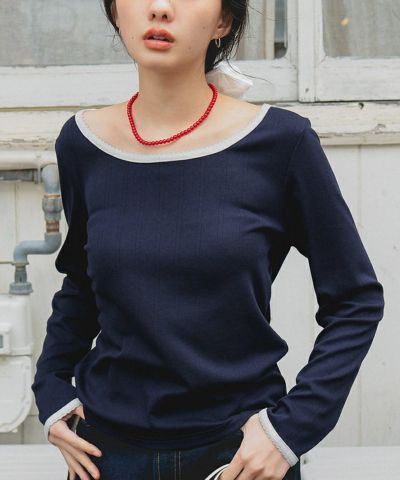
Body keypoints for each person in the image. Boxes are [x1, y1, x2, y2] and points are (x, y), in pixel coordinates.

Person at [31, 1, 385, 479]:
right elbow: (82, 281)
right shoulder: (83, 143)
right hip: (107, 455)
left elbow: (355, 300)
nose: (160, 8)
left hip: (238, 456)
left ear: (223, 21)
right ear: (115, 11)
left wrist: (290, 431)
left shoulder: (281, 143)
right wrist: (51, 386)